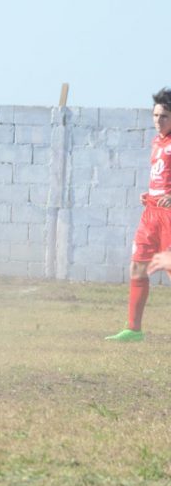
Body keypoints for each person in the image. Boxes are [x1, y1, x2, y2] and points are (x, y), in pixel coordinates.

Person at [106, 88, 171, 342]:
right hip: (150, 214)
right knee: (138, 266)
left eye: (164, 116)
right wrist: (150, 194)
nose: (158, 120)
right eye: (155, 115)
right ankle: (134, 330)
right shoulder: (157, 142)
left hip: (168, 216)